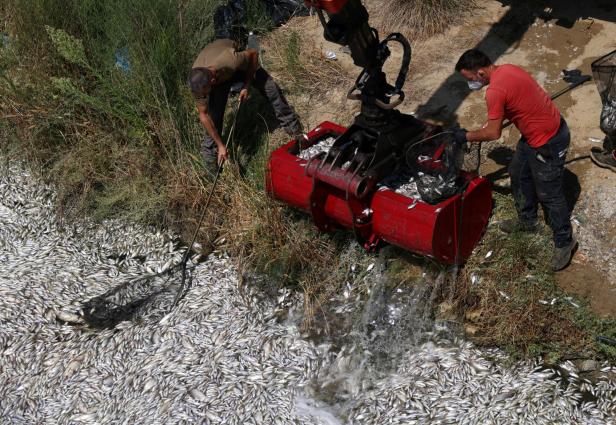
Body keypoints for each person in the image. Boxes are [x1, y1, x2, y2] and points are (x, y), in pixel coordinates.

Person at [453, 49, 577, 271]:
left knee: (549, 194)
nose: (469, 83)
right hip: (535, 133)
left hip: (548, 140)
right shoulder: (508, 69)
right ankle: (527, 221)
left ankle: (565, 241)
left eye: (469, 78)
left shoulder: (495, 91)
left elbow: (493, 133)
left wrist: (466, 136)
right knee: (517, 172)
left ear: (480, 72)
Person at [188, 38, 303, 173]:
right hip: (218, 77)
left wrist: (247, 85)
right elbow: (203, 115)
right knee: (213, 120)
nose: (203, 96)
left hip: (238, 66)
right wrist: (220, 145)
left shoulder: (230, 60)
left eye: (205, 93)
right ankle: (212, 169)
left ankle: (294, 130)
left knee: (271, 89)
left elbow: (253, 53)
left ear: (212, 81)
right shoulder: (196, 81)